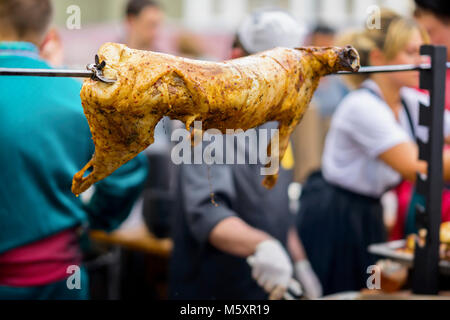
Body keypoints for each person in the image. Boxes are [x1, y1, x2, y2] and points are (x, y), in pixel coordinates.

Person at [169, 9, 322, 300]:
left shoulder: (275, 120)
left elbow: (277, 208)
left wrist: (299, 261)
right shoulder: (206, 124)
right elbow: (208, 214)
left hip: (265, 284)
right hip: (214, 289)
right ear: (236, 58)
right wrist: (263, 245)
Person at [0, 0, 148, 300]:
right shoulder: (79, 99)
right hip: (59, 282)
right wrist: (96, 221)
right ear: (47, 35)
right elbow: (127, 167)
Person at [296, 9, 450, 295]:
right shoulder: (362, 107)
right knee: (343, 289)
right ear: (379, 58)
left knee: (370, 289)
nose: (422, 62)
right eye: (411, 52)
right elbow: (416, 167)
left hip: (369, 211)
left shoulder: (409, 101)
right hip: (336, 214)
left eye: (422, 52)